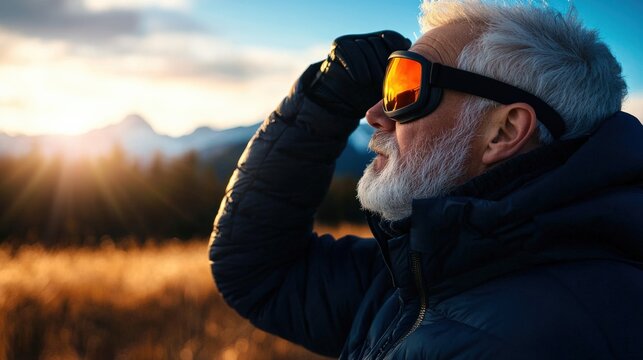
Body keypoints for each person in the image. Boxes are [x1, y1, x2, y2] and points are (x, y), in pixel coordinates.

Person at [209, 1, 643, 358]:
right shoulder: (432, 270)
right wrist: (325, 98)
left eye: (407, 88)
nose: (375, 115)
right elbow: (260, 272)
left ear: (504, 132)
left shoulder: (531, 338)